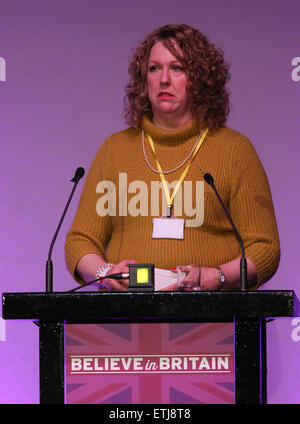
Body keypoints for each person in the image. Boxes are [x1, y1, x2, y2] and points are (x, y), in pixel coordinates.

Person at [65, 24, 280, 292]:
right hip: (125, 319)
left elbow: (265, 249)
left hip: (213, 318)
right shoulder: (114, 150)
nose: (164, 79)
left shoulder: (234, 150)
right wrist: (104, 271)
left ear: (200, 79)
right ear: (144, 80)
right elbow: (79, 241)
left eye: (177, 68)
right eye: (154, 68)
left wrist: (219, 276)